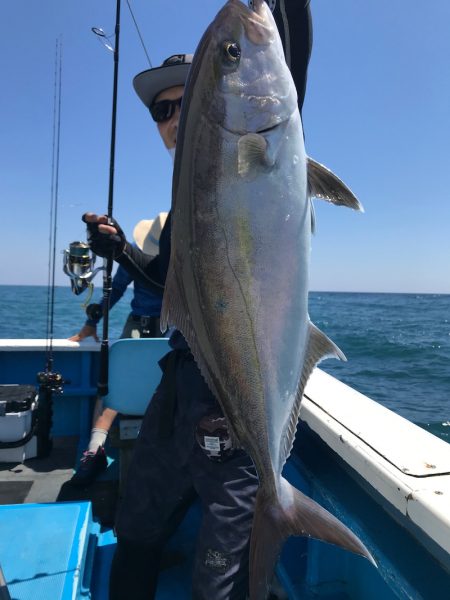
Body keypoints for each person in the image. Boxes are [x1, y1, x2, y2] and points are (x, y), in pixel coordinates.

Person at [83, 2, 313, 598]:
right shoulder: (175, 206)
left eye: (188, 98)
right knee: (134, 531)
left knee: (220, 581)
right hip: (180, 382)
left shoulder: (266, 145)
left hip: (232, 399)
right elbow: (169, 283)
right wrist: (121, 255)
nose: (174, 117)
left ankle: (269, 516)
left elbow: (286, 43)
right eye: (162, 110)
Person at [68, 214, 168, 487]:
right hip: (175, 333)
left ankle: (94, 447)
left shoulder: (133, 259)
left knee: (112, 386)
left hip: (138, 328)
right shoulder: (185, 265)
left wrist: (90, 323)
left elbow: (114, 292)